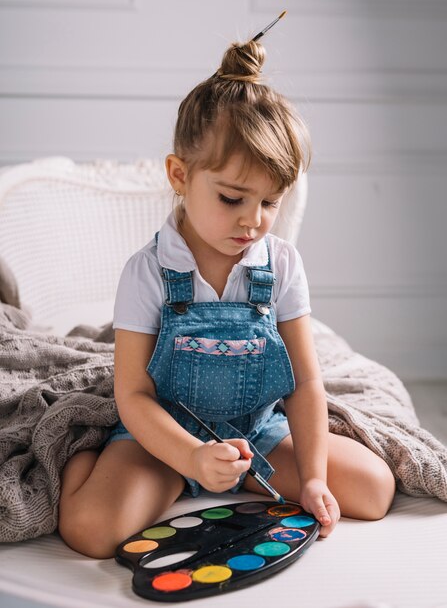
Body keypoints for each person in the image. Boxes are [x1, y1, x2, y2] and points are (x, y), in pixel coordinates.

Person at [58, 32, 396, 560]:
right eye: (233, 198)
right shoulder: (147, 272)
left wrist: (311, 479)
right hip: (165, 440)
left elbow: (306, 382)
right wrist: (192, 458)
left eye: (270, 202)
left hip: (256, 433)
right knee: (92, 531)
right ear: (180, 175)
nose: (253, 220)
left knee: (375, 489)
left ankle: (237, 477)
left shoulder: (280, 265)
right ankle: (85, 462)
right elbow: (134, 395)